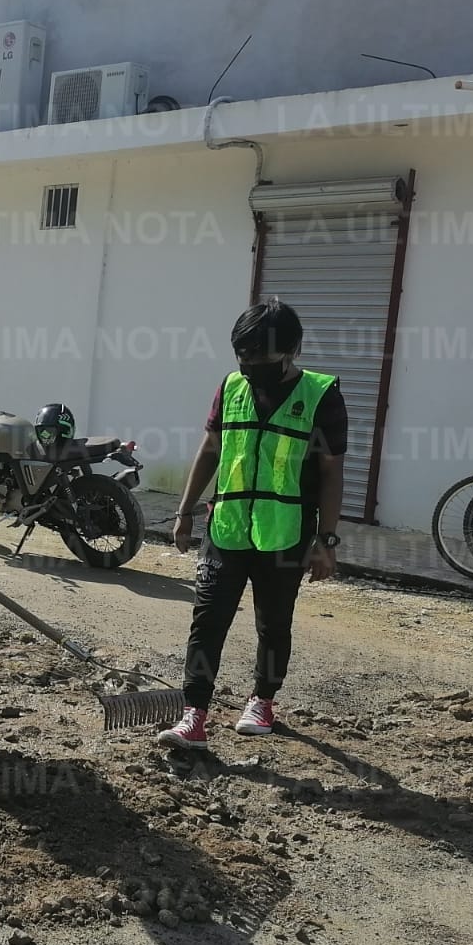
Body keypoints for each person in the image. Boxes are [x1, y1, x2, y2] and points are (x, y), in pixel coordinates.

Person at [157, 299, 348, 750]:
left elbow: (330, 471)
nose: (248, 368)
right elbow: (210, 450)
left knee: (274, 622)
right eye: (242, 358)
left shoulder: (321, 395)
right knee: (207, 621)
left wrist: (326, 540)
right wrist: (184, 512)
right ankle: (194, 714)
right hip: (226, 527)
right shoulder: (231, 386)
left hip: (286, 532)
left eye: (259, 360)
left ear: (291, 351)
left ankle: (262, 699)